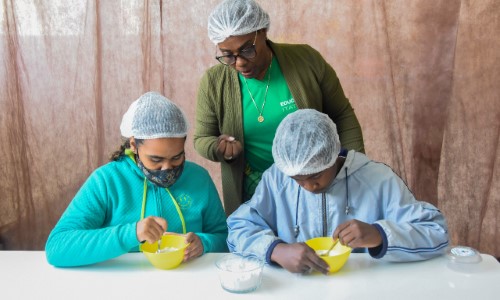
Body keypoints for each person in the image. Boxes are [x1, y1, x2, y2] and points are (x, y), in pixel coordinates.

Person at [227, 109, 449, 275]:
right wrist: (276, 250)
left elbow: (436, 232)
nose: (307, 186)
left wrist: (379, 235)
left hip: (365, 288)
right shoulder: (277, 179)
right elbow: (238, 228)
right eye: (297, 180)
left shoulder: (378, 179)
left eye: (315, 176)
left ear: (332, 155)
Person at [194, 0, 365, 215]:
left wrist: (352, 167)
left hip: (314, 178)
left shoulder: (306, 60)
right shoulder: (213, 82)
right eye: (227, 55)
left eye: (247, 50)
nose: (239, 63)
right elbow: (201, 138)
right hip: (254, 186)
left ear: (263, 31)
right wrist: (220, 148)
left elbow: (342, 115)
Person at [46, 92, 228, 267]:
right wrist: (132, 233)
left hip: (189, 282)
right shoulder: (107, 181)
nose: (167, 169)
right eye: (155, 159)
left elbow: (225, 238)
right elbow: (57, 247)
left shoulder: (199, 178)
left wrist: (204, 243)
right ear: (133, 145)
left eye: (176, 157)